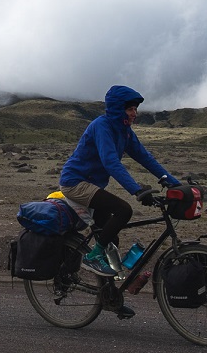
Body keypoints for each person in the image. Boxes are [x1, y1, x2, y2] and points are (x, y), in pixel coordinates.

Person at [59, 85, 180, 278]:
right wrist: (136, 190)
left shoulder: (124, 131)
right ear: (118, 108)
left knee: (111, 237)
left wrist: (173, 182)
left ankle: (111, 296)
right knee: (124, 210)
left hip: (92, 185)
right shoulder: (102, 126)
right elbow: (110, 162)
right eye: (130, 109)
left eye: (135, 109)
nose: (135, 114)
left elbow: (145, 157)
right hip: (75, 183)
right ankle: (92, 257)